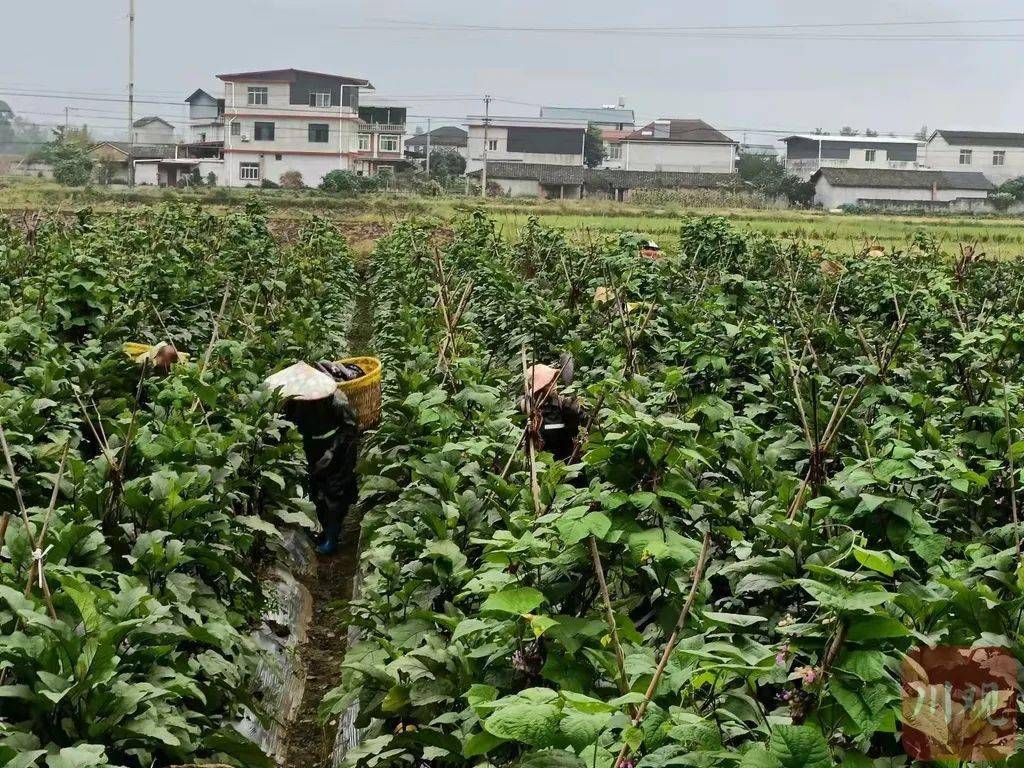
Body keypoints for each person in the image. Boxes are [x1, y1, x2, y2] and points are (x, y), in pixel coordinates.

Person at [264, 361, 360, 556]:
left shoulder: (336, 400)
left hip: (338, 447)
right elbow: (284, 425)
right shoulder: (293, 401)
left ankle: (333, 538)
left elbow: (351, 430)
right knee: (316, 491)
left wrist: (332, 452)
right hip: (311, 446)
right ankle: (326, 530)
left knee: (335, 491)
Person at [522, 358, 585, 463]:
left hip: (569, 462)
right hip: (542, 464)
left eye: (553, 381)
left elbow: (582, 422)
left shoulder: (562, 403)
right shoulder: (529, 407)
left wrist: (575, 411)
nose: (554, 385)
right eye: (548, 383)